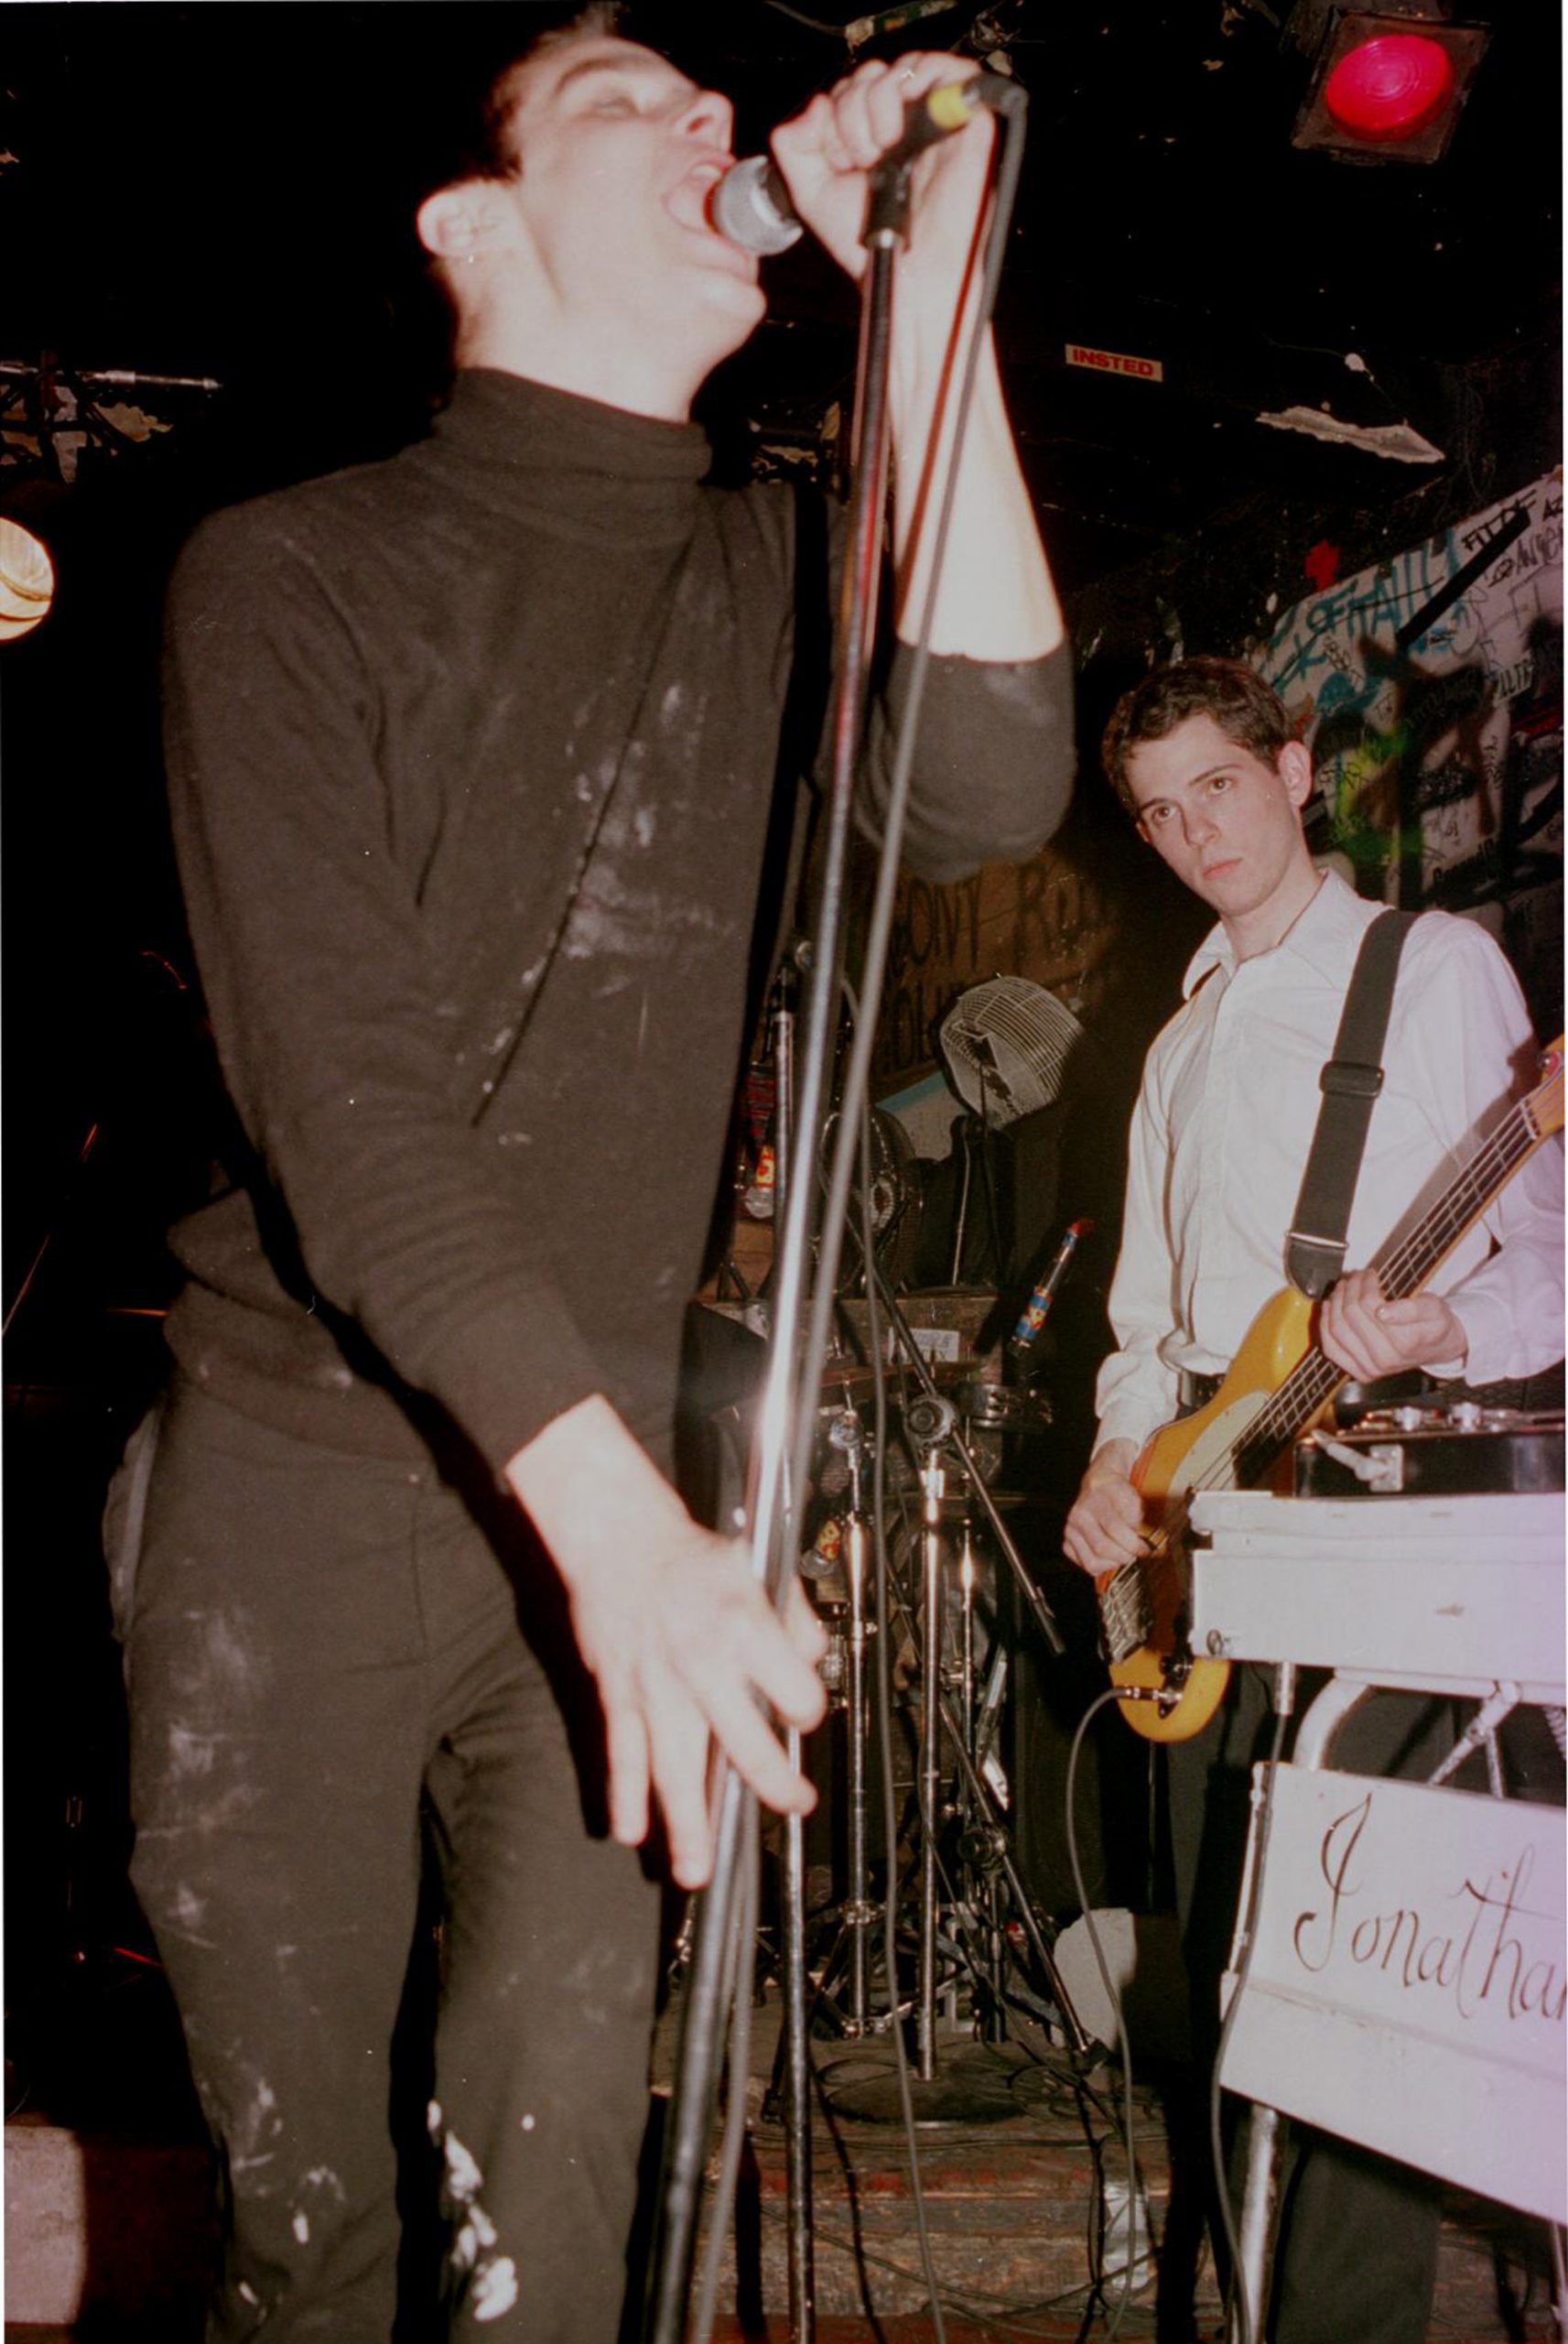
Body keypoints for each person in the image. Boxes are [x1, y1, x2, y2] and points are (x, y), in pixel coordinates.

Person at [109, 10, 1076, 2339]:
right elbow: (352, 1114)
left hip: (611, 1493)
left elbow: (992, 785)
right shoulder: (283, 575)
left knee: (558, 2169)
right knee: (306, 2213)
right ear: (472, 220)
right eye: (624, 100)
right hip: (298, 1483)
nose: (707, 125)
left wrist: (924, 274)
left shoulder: (765, 564)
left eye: (705, 103)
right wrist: (628, 1533)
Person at [1062, 656, 1563, 2344]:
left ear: (1292, 769)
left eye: (1217, 784)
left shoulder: (1430, 969)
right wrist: (1111, 1474)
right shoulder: (1177, 1041)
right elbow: (1144, 1328)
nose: (1190, 829)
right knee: (1220, 1969)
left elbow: (1553, 1252)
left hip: (1386, 1524)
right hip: (1215, 1533)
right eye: (1155, 810)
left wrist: (1443, 1318)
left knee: (1353, 1973)